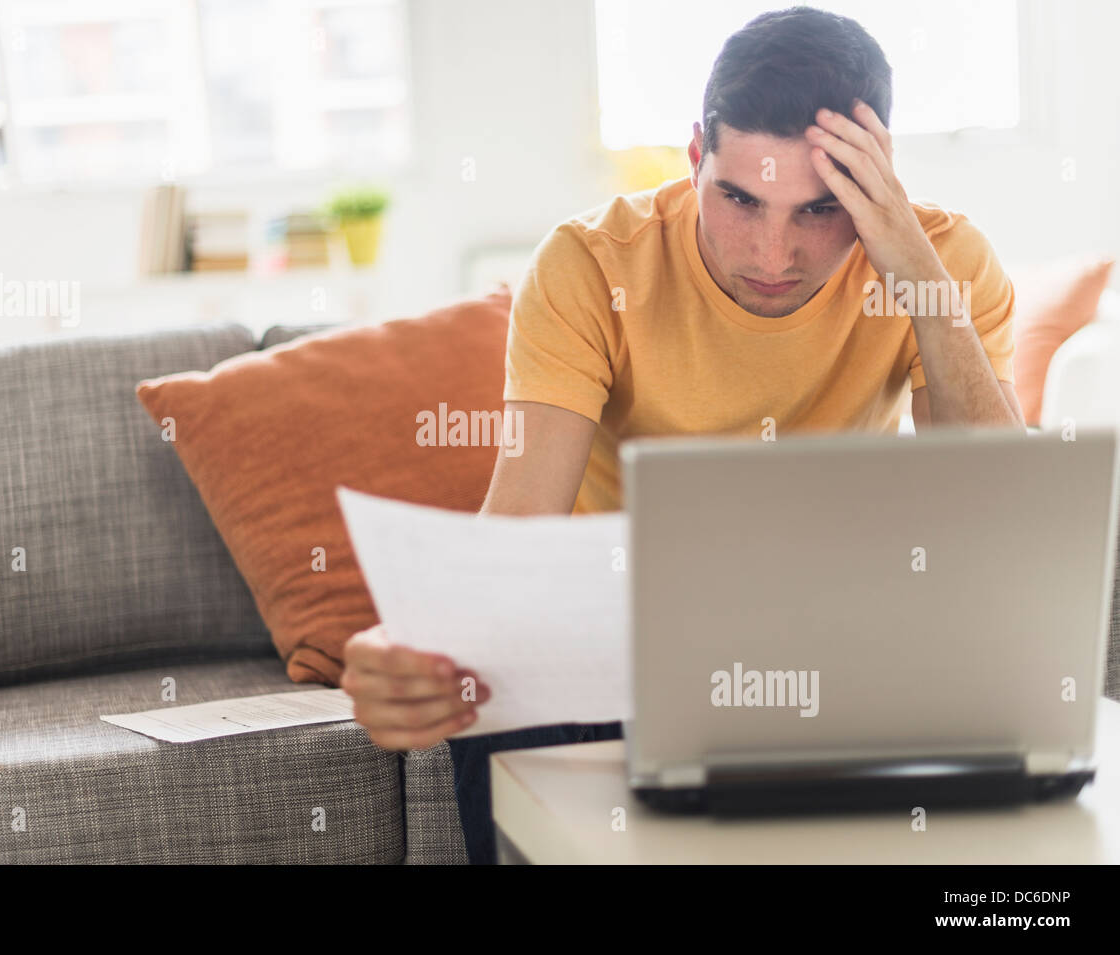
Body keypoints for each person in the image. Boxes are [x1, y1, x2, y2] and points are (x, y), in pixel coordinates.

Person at [339, 6, 1025, 864]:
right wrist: (418, 640)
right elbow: (520, 525)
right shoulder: (590, 264)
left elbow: (1003, 522)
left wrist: (915, 267)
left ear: (875, 184)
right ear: (696, 156)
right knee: (508, 687)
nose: (773, 252)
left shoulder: (940, 264)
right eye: (740, 198)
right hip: (614, 642)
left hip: (824, 630)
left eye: (820, 210)